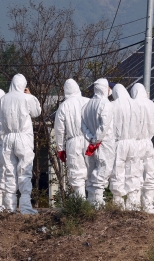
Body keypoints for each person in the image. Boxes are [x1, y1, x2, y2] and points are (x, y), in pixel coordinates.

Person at [0, 74, 41, 214]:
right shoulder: (26, 98)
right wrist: (31, 95)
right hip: (23, 137)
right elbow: (36, 112)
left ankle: (10, 207)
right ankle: (25, 207)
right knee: (24, 172)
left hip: (8, 138)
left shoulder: (3, 99)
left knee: (10, 173)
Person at [54, 79, 91, 199]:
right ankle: (95, 202)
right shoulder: (89, 102)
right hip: (90, 140)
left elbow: (59, 130)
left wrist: (60, 148)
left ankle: (80, 202)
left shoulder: (64, 106)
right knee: (92, 170)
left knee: (77, 172)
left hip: (73, 142)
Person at [81, 79, 114, 208]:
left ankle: (91, 201)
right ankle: (98, 203)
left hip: (92, 143)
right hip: (104, 143)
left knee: (92, 170)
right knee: (103, 170)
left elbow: (82, 125)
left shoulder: (87, 105)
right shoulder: (105, 104)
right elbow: (104, 125)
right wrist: (97, 139)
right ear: (104, 88)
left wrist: (91, 138)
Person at [109, 84, 141, 210]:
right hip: (133, 142)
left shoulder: (113, 105)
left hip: (118, 143)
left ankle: (118, 201)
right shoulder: (136, 105)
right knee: (133, 170)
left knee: (117, 170)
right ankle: (133, 202)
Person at [131, 83, 154, 213]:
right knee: (150, 172)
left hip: (135, 143)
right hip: (148, 142)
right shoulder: (150, 104)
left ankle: (135, 204)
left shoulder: (132, 104)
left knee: (135, 173)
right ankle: (148, 205)